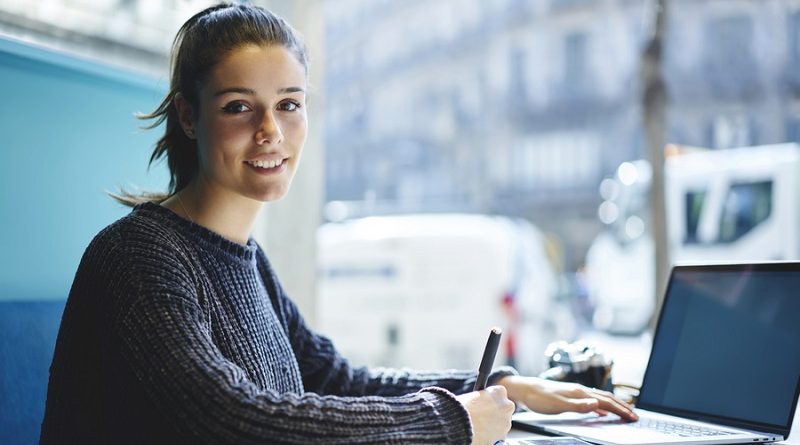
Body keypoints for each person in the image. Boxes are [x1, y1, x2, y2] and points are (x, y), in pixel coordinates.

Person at [40, 3, 637, 444]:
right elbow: (231, 419)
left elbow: (332, 377)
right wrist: (451, 421)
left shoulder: (243, 256)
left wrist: (505, 387)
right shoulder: (139, 257)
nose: (271, 131)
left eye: (289, 104)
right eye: (239, 107)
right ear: (189, 118)